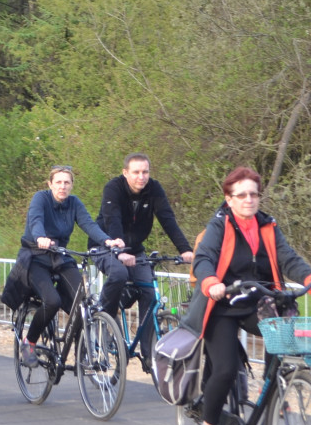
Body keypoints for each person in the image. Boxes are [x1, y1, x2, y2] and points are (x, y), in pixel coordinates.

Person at [179, 166, 311, 425]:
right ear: (229, 198)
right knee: (225, 369)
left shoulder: (267, 226)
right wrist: (211, 283)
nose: (249, 200)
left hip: (255, 299)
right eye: (242, 195)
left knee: (285, 323)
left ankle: (276, 389)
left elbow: (287, 257)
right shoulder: (219, 225)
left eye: (254, 194)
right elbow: (204, 258)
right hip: (221, 304)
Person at [92, 153, 196, 371]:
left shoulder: (154, 189)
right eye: (136, 172)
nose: (141, 177)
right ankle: (105, 323)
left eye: (145, 172)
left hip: (135, 250)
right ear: (125, 173)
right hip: (105, 245)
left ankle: (149, 354)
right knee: (119, 275)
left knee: (149, 291)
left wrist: (185, 250)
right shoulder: (113, 188)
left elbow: (168, 219)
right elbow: (112, 219)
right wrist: (118, 248)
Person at [16, 165, 124, 368]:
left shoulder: (74, 203)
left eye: (67, 182)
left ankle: (83, 352)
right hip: (36, 257)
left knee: (81, 302)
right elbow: (35, 220)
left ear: (72, 185)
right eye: (58, 182)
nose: (62, 186)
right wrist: (40, 237)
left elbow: (89, 225)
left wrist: (107, 241)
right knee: (52, 300)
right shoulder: (41, 198)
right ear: (50, 184)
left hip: (60, 257)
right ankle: (29, 342)